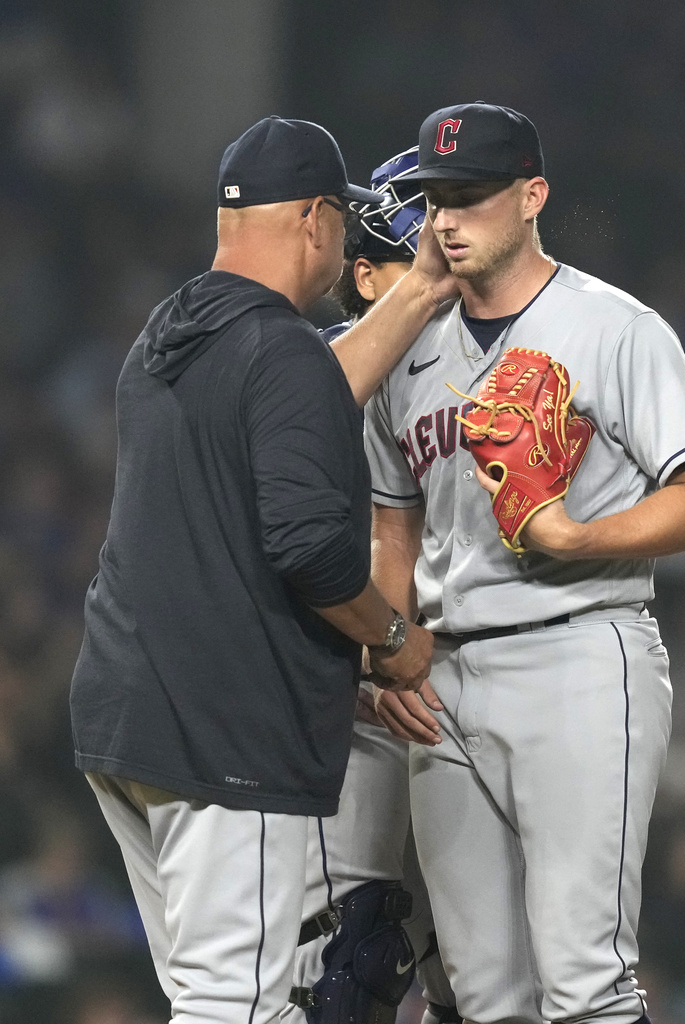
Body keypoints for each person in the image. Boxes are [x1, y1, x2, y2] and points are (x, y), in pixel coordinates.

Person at [69, 115, 458, 1023]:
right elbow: (311, 550)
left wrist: (414, 297)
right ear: (320, 221)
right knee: (238, 1007)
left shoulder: (174, 329)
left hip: (130, 718)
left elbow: (304, 391)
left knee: (221, 998)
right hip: (224, 732)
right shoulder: (278, 349)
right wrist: (392, 638)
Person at [364, 102, 685, 1024]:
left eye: (471, 196)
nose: (446, 218)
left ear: (531, 195)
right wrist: (387, 648)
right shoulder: (404, 346)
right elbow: (391, 528)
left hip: (577, 652)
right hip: (442, 675)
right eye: (432, 198)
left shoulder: (613, 327)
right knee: (483, 992)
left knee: (583, 982)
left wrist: (574, 537)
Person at [286, 147, 458, 1024]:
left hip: (461, 692)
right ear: (364, 274)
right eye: (419, 258)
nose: (445, 278)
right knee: (353, 962)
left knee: (494, 974)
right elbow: (294, 547)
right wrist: (374, 649)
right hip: (354, 699)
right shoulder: (307, 378)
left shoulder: (502, 371)